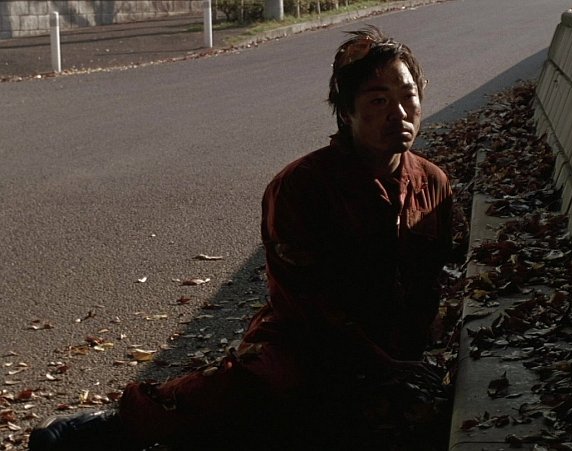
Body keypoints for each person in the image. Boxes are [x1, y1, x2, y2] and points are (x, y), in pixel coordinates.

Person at [29, 25, 453, 451]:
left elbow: (433, 280)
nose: (399, 112)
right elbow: (304, 303)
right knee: (263, 386)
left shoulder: (433, 183)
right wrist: (380, 362)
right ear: (346, 112)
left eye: (408, 96)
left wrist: (414, 353)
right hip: (308, 343)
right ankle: (114, 426)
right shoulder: (302, 186)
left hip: (394, 351)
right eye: (378, 100)